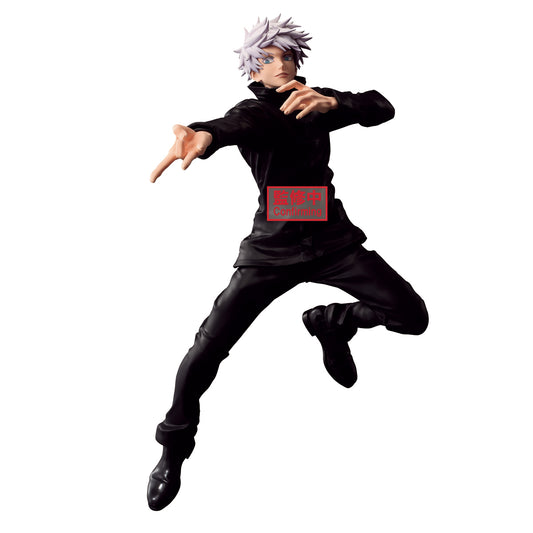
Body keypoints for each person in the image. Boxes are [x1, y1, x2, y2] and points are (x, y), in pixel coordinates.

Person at [147, 15, 428, 511]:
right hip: (272, 251)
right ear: (253, 69)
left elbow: (381, 106)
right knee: (207, 348)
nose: (283, 65)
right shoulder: (254, 113)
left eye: (289, 56)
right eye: (271, 58)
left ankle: (331, 322)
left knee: (411, 316)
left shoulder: (315, 102)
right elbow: (229, 128)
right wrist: (201, 136)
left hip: (333, 241)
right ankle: (173, 448)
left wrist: (336, 104)